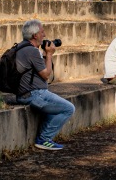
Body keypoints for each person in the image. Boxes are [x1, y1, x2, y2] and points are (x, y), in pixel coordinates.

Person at [16, 19, 75, 150]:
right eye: (42, 32)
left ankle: (44, 137)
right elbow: (46, 74)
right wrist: (49, 54)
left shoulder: (23, 47)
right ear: (35, 35)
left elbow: (38, 71)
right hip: (34, 94)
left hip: (25, 93)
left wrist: (43, 54)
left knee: (57, 107)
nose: (44, 34)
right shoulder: (31, 51)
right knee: (68, 108)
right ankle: (44, 139)